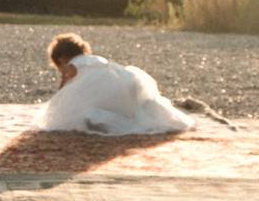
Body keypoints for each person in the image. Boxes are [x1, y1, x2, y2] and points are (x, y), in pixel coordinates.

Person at [34, 33, 194, 135]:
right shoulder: (93, 59)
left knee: (77, 111)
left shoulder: (72, 65)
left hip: (111, 92)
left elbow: (67, 83)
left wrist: (59, 94)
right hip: (127, 83)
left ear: (61, 59)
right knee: (133, 110)